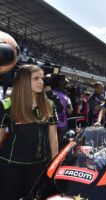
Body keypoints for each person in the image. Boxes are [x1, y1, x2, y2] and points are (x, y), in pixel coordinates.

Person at [0, 64, 58, 199]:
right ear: (24, 81)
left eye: (42, 78)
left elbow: (53, 136)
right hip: (10, 166)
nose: (41, 82)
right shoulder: (7, 105)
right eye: (36, 78)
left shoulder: (49, 105)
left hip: (38, 167)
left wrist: (55, 163)